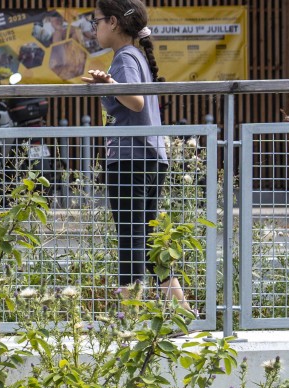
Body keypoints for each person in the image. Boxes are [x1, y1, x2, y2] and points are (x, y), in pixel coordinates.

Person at [85, 0, 194, 317]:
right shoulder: (133, 57)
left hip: (131, 158)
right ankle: (182, 311)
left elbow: (133, 101)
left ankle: (130, 316)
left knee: (131, 239)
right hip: (148, 156)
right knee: (147, 239)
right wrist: (108, 84)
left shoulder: (124, 58)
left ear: (114, 23)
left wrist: (109, 84)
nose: (95, 28)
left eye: (97, 22)